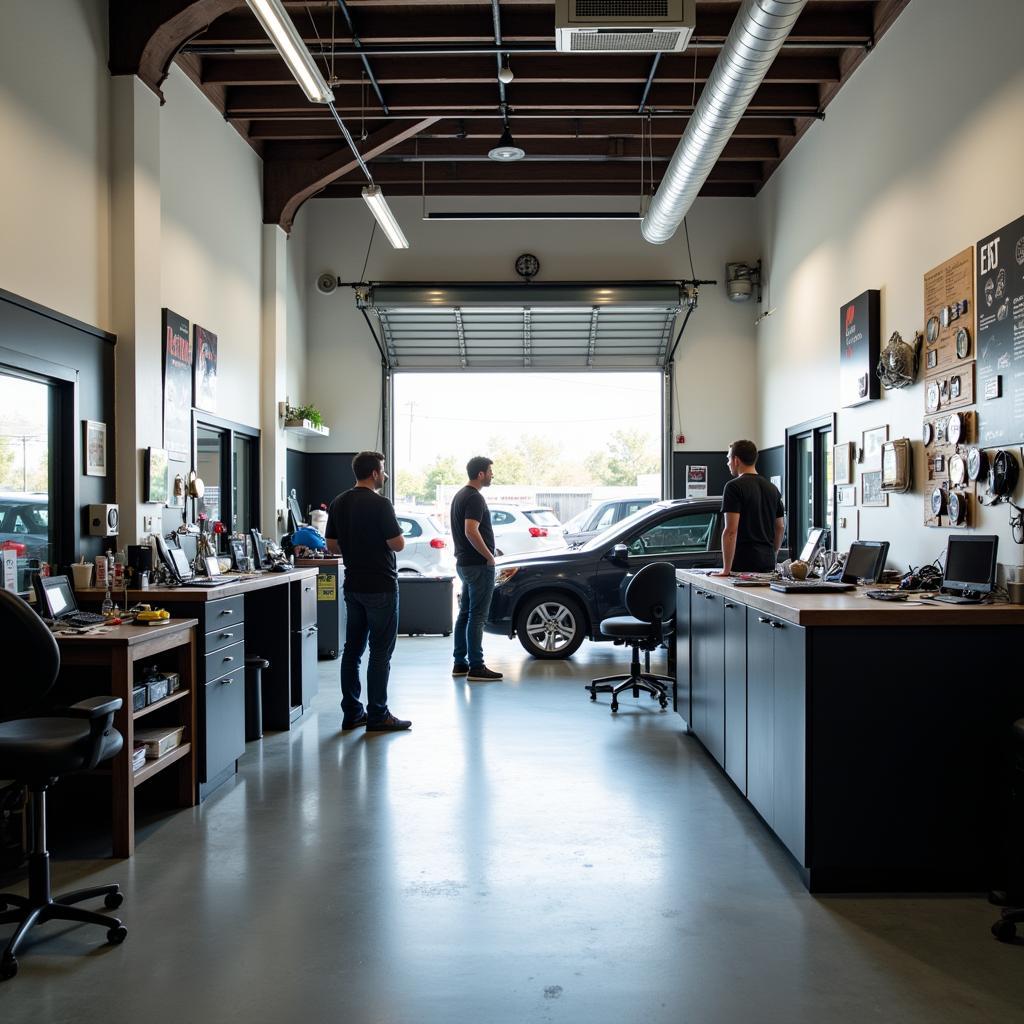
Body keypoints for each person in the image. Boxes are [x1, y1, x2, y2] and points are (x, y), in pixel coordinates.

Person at [325, 451, 411, 731]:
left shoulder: (339, 502)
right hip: (381, 587)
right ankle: (378, 714)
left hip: (354, 587)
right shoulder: (381, 504)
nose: (384, 475)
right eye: (383, 470)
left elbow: (331, 546)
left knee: (352, 651)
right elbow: (397, 544)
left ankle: (352, 713)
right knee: (379, 653)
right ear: (374, 473)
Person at [450, 456, 502, 681]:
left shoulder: (460, 495)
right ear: (480, 474)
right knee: (477, 617)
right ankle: (477, 667)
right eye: (490, 471)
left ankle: (460, 663)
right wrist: (489, 556)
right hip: (478, 565)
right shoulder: (475, 498)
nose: (492, 474)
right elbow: (471, 530)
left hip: (464, 563)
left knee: (465, 614)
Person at [713, 439, 785, 576]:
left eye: (728, 458)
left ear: (736, 460)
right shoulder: (772, 488)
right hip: (767, 565)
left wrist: (726, 570)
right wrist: (772, 553)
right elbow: (780, 527)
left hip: (743, 565)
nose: (727, 463)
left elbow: (731, 531)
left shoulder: (733, 487)